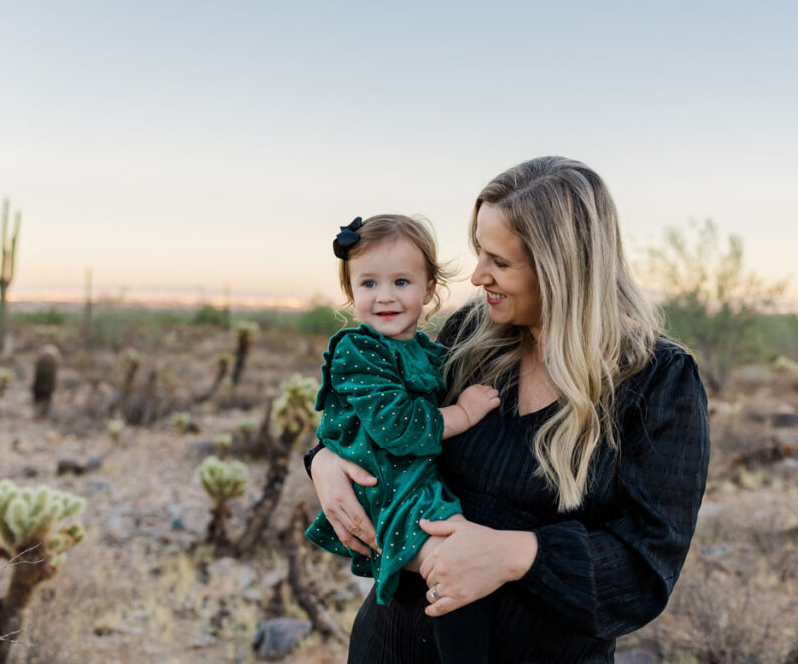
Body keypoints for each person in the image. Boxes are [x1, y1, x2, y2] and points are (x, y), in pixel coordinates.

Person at [306, 156, 710, 663]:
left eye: (498, 261)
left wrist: (516, 554)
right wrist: (322, 460)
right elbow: (382, 413)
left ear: (561, 268)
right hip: (392, 646)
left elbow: (647, 571)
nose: (477, 276)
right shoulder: (470, 335)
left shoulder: (658, 380)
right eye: (479, 252)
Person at [304, 214, 500, 664]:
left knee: (463, 570)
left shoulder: (430, 351)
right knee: (454, 566)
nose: (385, 296)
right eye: (368, 284)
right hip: (386, 489)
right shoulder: (358, 350)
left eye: (401, 281)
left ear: (429, 289)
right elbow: (400, 428)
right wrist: (464, 413)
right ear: (351, 292)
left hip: (412, 485)